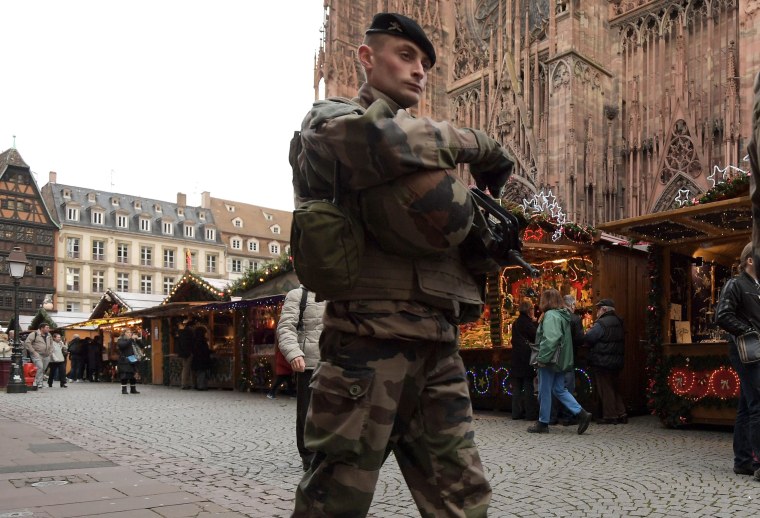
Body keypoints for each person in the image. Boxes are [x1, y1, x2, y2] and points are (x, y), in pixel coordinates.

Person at [292, 12, 515, 516]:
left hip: (437, 346)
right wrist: (477, 144)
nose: (418, 71)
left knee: (464, 498)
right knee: (334, 500)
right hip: (367, 345)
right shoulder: (330, 121)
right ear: (367, 58)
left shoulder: (428, 146)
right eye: (406, 55)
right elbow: (383, 142)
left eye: (425, 63)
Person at [715, 242, 760, 479]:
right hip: (746, 351)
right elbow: (722, 316)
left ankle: (743, 461)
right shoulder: (736, 284)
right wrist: (750, 332)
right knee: (757, 405)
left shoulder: (757, 286)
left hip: (756, 351)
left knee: (747, 406)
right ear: (750, 260)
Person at [527, 289, 592, 434]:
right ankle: (581, 413)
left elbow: (551, 339)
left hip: (550, 359)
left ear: (546, 300)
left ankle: (543, 422)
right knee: (559, 389)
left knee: (545, 389)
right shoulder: (563, 315)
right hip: (561, 360)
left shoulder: (550, 316)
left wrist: (542, 359)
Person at [275, 286, 326, 471]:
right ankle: (309, 457)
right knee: (307, 413)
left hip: (336, 363)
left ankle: (332, 455)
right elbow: (286, 328)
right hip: (309, 364)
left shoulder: (339, 293)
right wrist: (294, 354)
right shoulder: (298, 295)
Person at [583, 298, 627, 424]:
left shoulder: (601, 323)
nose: (597, 311)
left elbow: (590, 337)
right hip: (617, 360)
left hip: (603, 361)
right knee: (615, 387)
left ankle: (610, 415)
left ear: (604, 309)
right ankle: (621, 413)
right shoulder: (619, 321)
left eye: (598, 309)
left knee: (605, 388)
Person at [551, 294, 585, 426]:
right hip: (570, 358)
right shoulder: (575, 319)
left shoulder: (555, 316)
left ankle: (552, 416)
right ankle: (568, 416)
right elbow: (580, 339)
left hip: (555, 358)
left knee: (555, 387)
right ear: (572, 305)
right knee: (568, 388)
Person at [510, 298, 538, 420]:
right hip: (526, 357)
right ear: (528, 310)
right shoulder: (527, 323)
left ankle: (516, 413)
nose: (533, 310)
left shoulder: (516, 323)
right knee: (528, 386)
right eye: (532, 308)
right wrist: (535, 323)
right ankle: (530, 414)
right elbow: (536, 335)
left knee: (516, 387)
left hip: (515, 357)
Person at [23, 323, 53, 389]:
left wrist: (50, 352)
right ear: (42, 328)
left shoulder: (49, 335)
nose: (48, 329)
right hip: (37, 354)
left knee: (43, 369)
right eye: (47, 327)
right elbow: (27, 343)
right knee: (40, 367)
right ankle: (39, 383)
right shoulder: (34, 334)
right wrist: (33, 352)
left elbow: (51, 344)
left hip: (46, 355)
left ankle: (40, 382)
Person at [116, 329, 140, 394]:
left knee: (133, 375)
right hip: (124, 360)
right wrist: (131, 339)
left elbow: (141, 346)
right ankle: (124, 390)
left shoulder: (132, 340)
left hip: (133, 359)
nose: (129, 333)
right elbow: (123, 345)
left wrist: (137, 340)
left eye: (130, 332)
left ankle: (133, 389)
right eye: (128, 332)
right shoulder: (120, 340)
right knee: (124, 375)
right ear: (124, 333)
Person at [191, 326, 213, 391]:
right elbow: (205, 350)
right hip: (203, 359)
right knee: (202, 373)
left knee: (199, 373)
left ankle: (199, 385)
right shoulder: (202, 341)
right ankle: (201, 386)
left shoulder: (194, 340)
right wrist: (212, 351)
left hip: (196, 359)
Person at [177, 321, 195, 389]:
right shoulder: (189, 333)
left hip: (183, 353)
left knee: (185, 368)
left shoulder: (181, 332)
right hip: (188, 353)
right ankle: (185, 384)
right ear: (191, 326)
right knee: (187, 369)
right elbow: (190, 343)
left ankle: (185, 384)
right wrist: (190, 352)